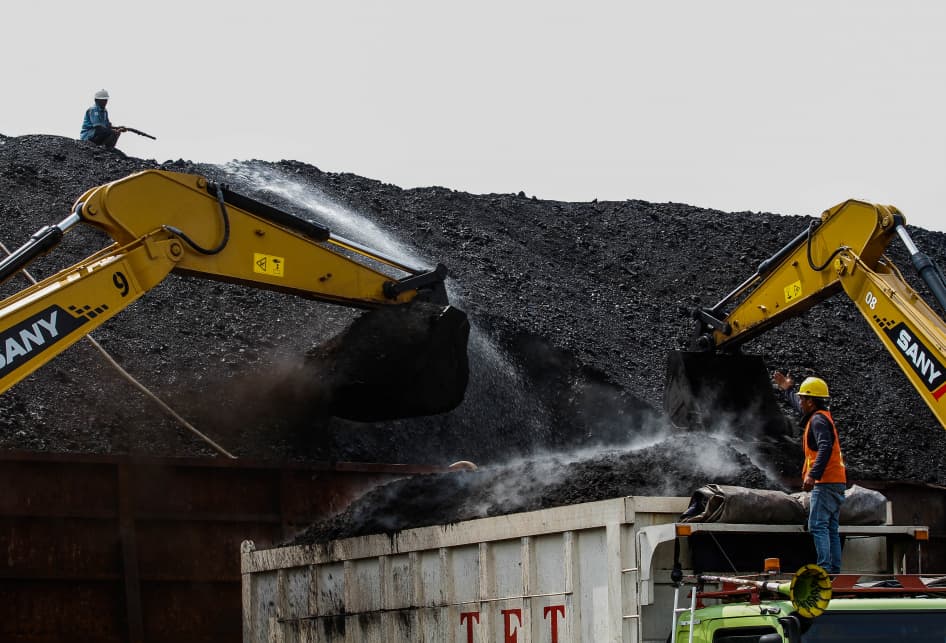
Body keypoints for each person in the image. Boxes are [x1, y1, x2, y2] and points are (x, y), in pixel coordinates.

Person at [773, 371, 847, 574]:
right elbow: (799, 408)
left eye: (803, 398)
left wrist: (813, 475)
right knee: (830, 526)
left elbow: (825, 447)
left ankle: (824, 569)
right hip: (836, 481)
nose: (801, 402)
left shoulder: (818, 422)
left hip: (825, 482)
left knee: (817, 525)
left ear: (812, 402)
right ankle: (833, 571)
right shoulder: (820, 416)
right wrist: (787, 390)